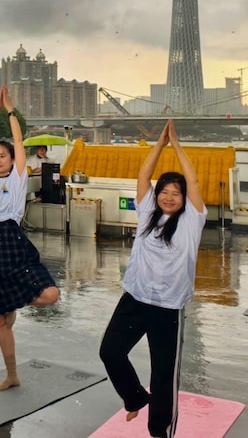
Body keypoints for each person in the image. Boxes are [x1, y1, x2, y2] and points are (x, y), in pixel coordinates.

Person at [98, 118, 204, 438]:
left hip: (168, 307)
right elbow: (144, 175)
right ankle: (134, 397)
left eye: (176, 193)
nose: (169, 197)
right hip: (135, 297)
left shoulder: (191, 221)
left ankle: (160, 432)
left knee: (163, 375)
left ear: (184, 198)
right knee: (110, 352)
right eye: (165, 192)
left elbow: (194, 181)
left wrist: (178, 147)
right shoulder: (147, 212)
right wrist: (160, 144)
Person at [0, 86, 60, 392]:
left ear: (13, 160)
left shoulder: (18, 177)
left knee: (50, 295)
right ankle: (12, 374)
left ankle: (18, 300)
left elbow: (18, 141)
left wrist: (10, 110)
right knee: (1, 319)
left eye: (3, 156)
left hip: (12, 238)